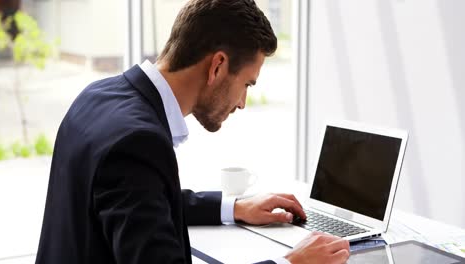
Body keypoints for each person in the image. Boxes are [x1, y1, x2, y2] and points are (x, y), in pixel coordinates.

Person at [35, 0, 350, 263]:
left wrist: (234, 207)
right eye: (247, 85)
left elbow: (141, 199)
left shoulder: (97, 95)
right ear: (217, 67)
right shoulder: (137, 142)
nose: (242, 103)